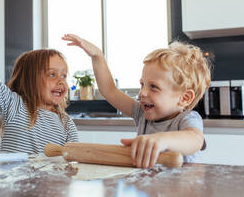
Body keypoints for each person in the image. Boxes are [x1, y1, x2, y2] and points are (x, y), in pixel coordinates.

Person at [62, 34, 211, 168]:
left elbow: (195, 140)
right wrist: (97, 56)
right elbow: (109, 90)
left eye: (154, 87)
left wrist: (161, 140)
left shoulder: (186, 119)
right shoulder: (142, 113)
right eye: (142, 84)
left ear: (184, 98)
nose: (142, 93)